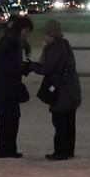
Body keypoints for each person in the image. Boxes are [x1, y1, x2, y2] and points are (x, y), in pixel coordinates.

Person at [28, 18, 81, 160]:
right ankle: (68, 150)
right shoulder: (64, 44)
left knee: (60, 122)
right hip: (71, 90)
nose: (43, 38)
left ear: (51, 34)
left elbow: (47, 68)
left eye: (45, 34)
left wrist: (31, 66)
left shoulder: (54, 48)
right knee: (69, 122)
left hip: (62, 92)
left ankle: (61, 152)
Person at [0, 15, 33, 157]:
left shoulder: (11, 41)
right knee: (10, 119)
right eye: (26, 31)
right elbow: (9, 65)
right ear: (21, 29)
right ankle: (6, 150)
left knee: (8, 119)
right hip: (7, 86)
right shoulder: (11, 42)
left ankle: (7, 149)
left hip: (5, 86)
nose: (27, 35)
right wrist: (22, 68)